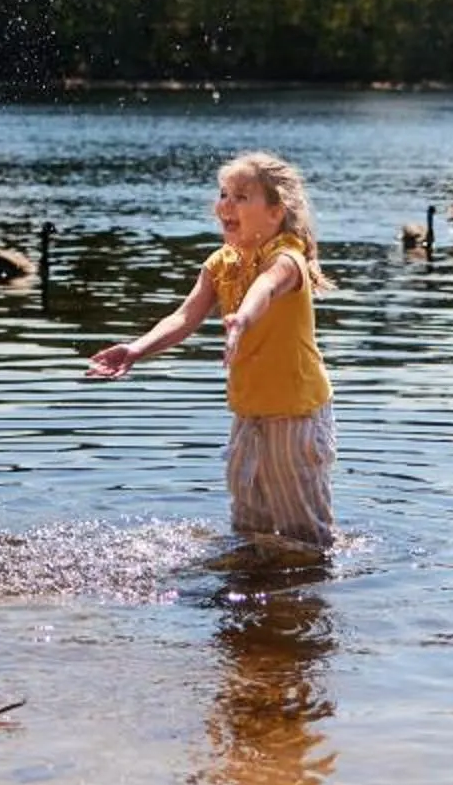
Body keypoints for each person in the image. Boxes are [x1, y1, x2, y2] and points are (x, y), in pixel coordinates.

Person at [85, 152, 338, 547]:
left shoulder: (287, 258)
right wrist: (136, 350)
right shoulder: (221, 263)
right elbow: (183, 318)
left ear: (276, 212)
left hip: (296, 412)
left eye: (241, 196)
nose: (226, 204)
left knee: (302, 529)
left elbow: (266, 287)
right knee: (248, 522)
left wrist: (243, 319)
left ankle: (313, 591)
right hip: (249, 412)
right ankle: (259, 592)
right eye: (224, 194)